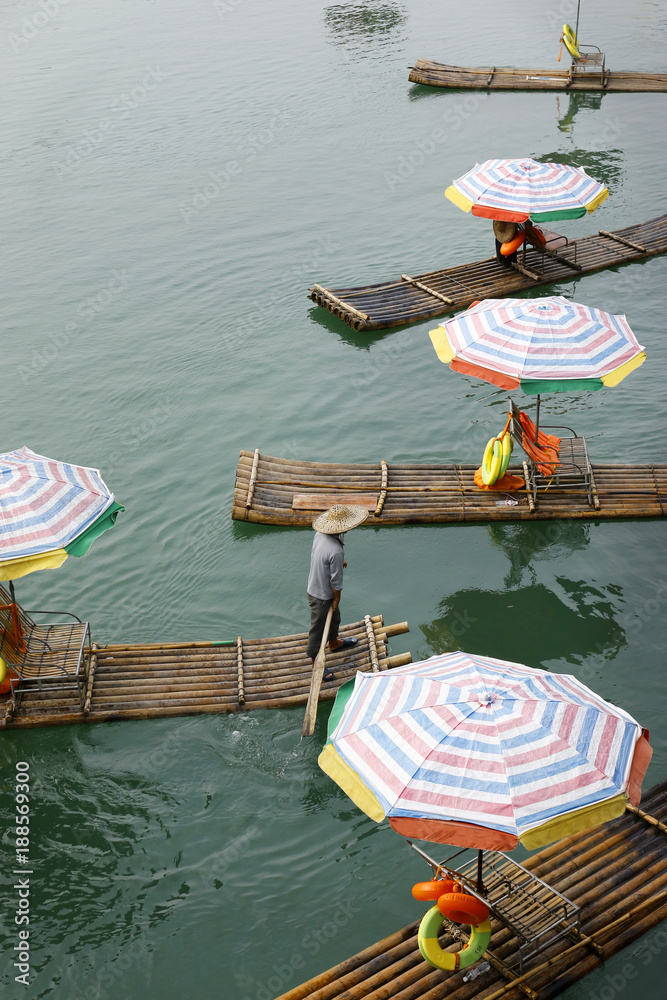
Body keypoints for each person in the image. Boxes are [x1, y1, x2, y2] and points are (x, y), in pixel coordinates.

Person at [306, 503, 368, 681]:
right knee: (317, 631)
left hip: (315, 587)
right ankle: (315, 663)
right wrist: (336, 598)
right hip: (321, 595)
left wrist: (338, 562)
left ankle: (333, 643)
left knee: (334, 619)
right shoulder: (336, 550)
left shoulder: (320, 535)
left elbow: (321, 557)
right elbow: (336, 581)